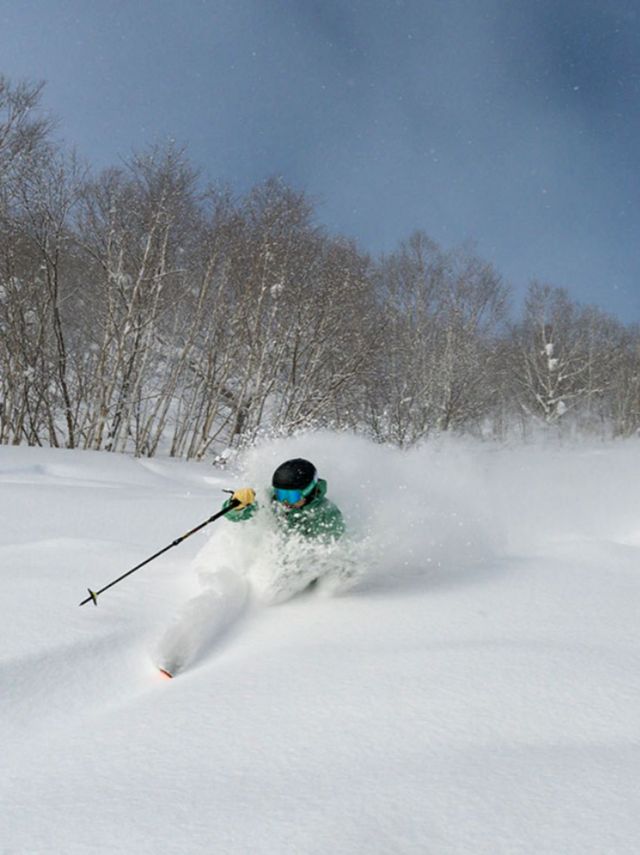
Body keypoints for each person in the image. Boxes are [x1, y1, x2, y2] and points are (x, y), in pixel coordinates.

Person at [223, 457, 345, 542]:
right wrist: (236, 505)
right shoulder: (271, 498)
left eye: (292, 496)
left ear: (308, 492)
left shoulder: (327, 514)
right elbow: (234, 516)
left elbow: (328, 550)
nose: (284, 501)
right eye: (281, 494)